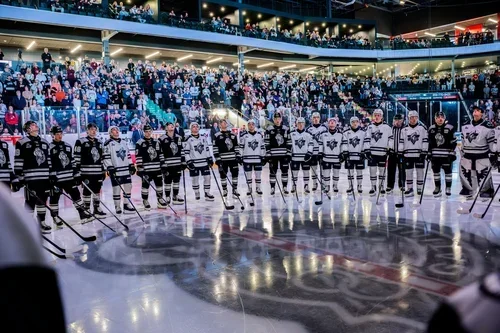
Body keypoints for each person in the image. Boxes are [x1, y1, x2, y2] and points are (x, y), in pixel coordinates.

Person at [48, 126, 92, 224]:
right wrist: (51, 176)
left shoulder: (67, 146)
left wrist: (77, 174)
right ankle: (55, 217)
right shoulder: (49, 147)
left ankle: (82, 213)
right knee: (54, 198)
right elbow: (48, 163)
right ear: (52, 135)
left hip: (69, 177)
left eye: (60, 134)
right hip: (57, 178)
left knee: (76, 195)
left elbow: (72, 162)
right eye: (57, 134)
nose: (59, 136)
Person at [14, 121, 52, 231]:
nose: (36, 127)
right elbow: (18, 160)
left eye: (36, 125)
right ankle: (27, 224)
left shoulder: (45, 142)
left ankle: (42, 222)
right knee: (30, 201)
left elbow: (48, 160)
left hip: (44, 177)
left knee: (42, 200)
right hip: (30, 178)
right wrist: (20, 177)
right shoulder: (22, 142)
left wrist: (51, 175)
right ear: (28, 129)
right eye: (33, 125)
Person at [459, 106, 495, 199]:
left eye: (478, 111)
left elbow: (491, 142)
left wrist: (494, 153)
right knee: (465, 173)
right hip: (467, 153)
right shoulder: (465, 125)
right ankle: (468, 189)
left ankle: (486, 190)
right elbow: (463, 141)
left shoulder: (488, 126)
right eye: (474, 110)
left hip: (482, 154)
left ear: (482, 113)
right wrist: (462, 151)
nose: (475, 112)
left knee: (484, 173)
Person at [74, 123, 106, 217]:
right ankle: (87, 208)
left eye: (95, 129)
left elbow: (102, 157)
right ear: (87, 131)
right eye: (91, 129)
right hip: (86, 172)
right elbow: (76, 157)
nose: (93, 131)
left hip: (98, 171)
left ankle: (97, 208)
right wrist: (78, 172)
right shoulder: (81, 141)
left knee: (97, 190)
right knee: (87, 191)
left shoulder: (99, 142)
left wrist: (103, 170)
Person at [103, 126, 136, 214]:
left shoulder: (124, 142)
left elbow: (128, 155)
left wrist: (131, 164)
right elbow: (106, 157)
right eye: (114, 130)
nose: (117, 131)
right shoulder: (108, 143)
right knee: (117, 188)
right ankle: (117, 206)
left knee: (128, 186)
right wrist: (109, 167)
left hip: (125, 169)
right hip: (116, 170)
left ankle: (126, 205)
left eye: (117, 129)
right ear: (110, 133)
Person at [135, 124, 168, 210]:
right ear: (143, 132)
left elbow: (161, 154)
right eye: (146, 132)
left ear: (152, 132)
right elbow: (138, 156)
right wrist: (140, 169)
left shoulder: (156, 142)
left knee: (159, 185)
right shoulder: (139, 142)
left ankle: (160, 199)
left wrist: (163, 165)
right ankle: (145, 200)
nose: (148, 133)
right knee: (145, 186)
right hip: (146, 169)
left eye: (149, 131)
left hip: (157, 168)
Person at [363, 109, 393, 196]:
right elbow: (367, 139)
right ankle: (373, 186)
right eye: (375, 115)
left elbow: (391, 139)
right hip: (372, 153)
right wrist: (367, 150)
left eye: (378, 115)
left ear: (382, 116)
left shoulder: (387, 127)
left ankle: (381, 186)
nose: (377, 117)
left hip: (383, 153)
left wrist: (390, 148)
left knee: (382, 170)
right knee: (372, 171)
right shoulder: (370, 127)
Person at [427, 111, 457, 197]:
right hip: (435, 155)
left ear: (444, 118)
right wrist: (429, 153)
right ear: (435, 119)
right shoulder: (431, 129)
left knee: (448, 173)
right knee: (436, 172)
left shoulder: (450, 128)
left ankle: (448, 188)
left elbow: (454, 142)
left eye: (442, 117)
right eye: (438, 117)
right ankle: (437, 187)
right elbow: (429, 142)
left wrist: (452, 153)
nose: (440, 119)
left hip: (446, 155)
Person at [400, 111, 429, 197]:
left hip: (419, 154)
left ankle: (419, 188)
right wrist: (400, 151)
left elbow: (425, 141)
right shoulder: (404, 130)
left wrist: (424, 152)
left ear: (417, 118)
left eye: (415, 117)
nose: (413, 119)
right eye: (411, 117)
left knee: (420, 172)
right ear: (408, 118)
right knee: (408, 172)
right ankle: (410, 188)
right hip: (407, 155)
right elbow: (401, 142)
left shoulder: (422, 129)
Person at [183, 122, 214, 201]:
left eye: (197, 126)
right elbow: (186, 152)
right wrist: (189, 161)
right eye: (193, 126)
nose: (195, 128)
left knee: (207, 177)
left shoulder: (203, 138)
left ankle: (207, 193)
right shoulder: (188, 139)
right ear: (190, 129)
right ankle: (196, 192)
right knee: (195, 179)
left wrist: (210, 158)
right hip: (194, 163)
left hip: (204, 162)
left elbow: (207, 149)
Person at [265, 112, 292, 195]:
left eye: (279, 118)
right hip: (273, 155)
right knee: (273, 172)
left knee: (285, 171)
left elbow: (289, 142)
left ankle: (284, 187)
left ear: (281, 119)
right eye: (276, 119)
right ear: (273, 119)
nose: (277, 120)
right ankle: (272, 187)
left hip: (284, 155)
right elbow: (267, 142)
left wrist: (288, 153)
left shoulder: (286, 129)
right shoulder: (269, 129)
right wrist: (268, 154)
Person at [158, 122, 185, 205]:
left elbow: (182, 151)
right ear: (166, 128)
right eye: (169, 125)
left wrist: (183, 162)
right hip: (167, 164)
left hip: (177, 164)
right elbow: (160, 152)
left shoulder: (179, 138)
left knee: (177, 181)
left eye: (172, 125)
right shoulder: (161, 139)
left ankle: (175, 196)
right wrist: (163, 164)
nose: (171, 126)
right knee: (167, 181)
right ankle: (167, 196)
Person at [213, 119, 240, 198]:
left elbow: (236, 146)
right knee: (223, 175)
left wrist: (238, 156)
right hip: (222, 159)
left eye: (225, 122)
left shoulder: (233, 134)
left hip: (233, 159)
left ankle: (235, 190)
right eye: (222, 123)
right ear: (219, 125)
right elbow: (215, 148)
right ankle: (224, 189)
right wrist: (217, 159)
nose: (224, 124)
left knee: (235, 174)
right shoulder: (217, 135)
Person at [238, 119, 265, 196]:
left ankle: (258, 188)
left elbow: (262, 147)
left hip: (257, 158)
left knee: (258, 174)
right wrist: (240, 156)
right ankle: (249, 188)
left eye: (252, 124)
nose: (251, 126)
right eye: (249, 124)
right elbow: (241, 147)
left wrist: (263, 156)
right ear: (247, 126)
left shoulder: (259, 135)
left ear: (255, 125)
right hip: (247, 159)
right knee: (248, 175)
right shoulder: (244, 136)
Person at [319, 118, 344, 193]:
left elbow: (342, 145)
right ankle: (327, 186)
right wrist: (320, 153)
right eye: (330, 121)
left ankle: (335, 185)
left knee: (336, 172)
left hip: (337, 157)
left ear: (336, 123)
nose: (332, 122)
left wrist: (342, 153)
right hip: (326, 157)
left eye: (333, 121)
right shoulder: (323, 134)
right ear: (328, 123)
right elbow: (321, 145)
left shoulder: (340, 134)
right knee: (326, 173)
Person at [290, 117, 314, 194]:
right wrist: (289, 154)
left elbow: (311, 144)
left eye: (302, 123)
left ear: (304, 124)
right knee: (294, 172)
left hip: (305, 157)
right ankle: (294, 185)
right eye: (299, 123)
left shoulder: (308, 134)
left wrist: (309, 153)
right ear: (296, 124)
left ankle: (306, 185)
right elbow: (289, 145)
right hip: (295, 157)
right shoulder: (292, 134)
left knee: (306, 172)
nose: (300, 125)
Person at [342, 116, 365, 194]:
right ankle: (350, 186)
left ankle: (360, 185)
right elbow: (344, 144)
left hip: (359, 155)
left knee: (359, 172)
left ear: (358, 122)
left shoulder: (363, 133)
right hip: (350, 156)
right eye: (353, 122)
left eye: (356, 122)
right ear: (350, 123)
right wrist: (345, 152)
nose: (355, 123)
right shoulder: (346, 133)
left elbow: (365, 144)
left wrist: (363, 152)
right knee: (350, 172)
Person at [306, 112, 328, 191]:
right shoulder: (308, 129)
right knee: (314, 170)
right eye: (314, 117)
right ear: (312, 118)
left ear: (319, 118)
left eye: (317, 117)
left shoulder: (324, 128)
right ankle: (315, 183)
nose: (315, 119)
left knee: (323, 170)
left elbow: (327, 140)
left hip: (321, 152)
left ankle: (323, 184)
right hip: (313, 153)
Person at [386, 114, 405, 193]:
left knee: (402, 170)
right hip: (392, 153)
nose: (397, 122)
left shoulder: (405, 130)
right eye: (395, 120)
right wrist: (388, 149)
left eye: (399, 120)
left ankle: (402, 185)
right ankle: (390, 186)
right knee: (390, 170)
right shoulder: (390, 129)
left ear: (402, 121)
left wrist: (403, 150)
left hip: (401, 153)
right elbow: (387, 140)